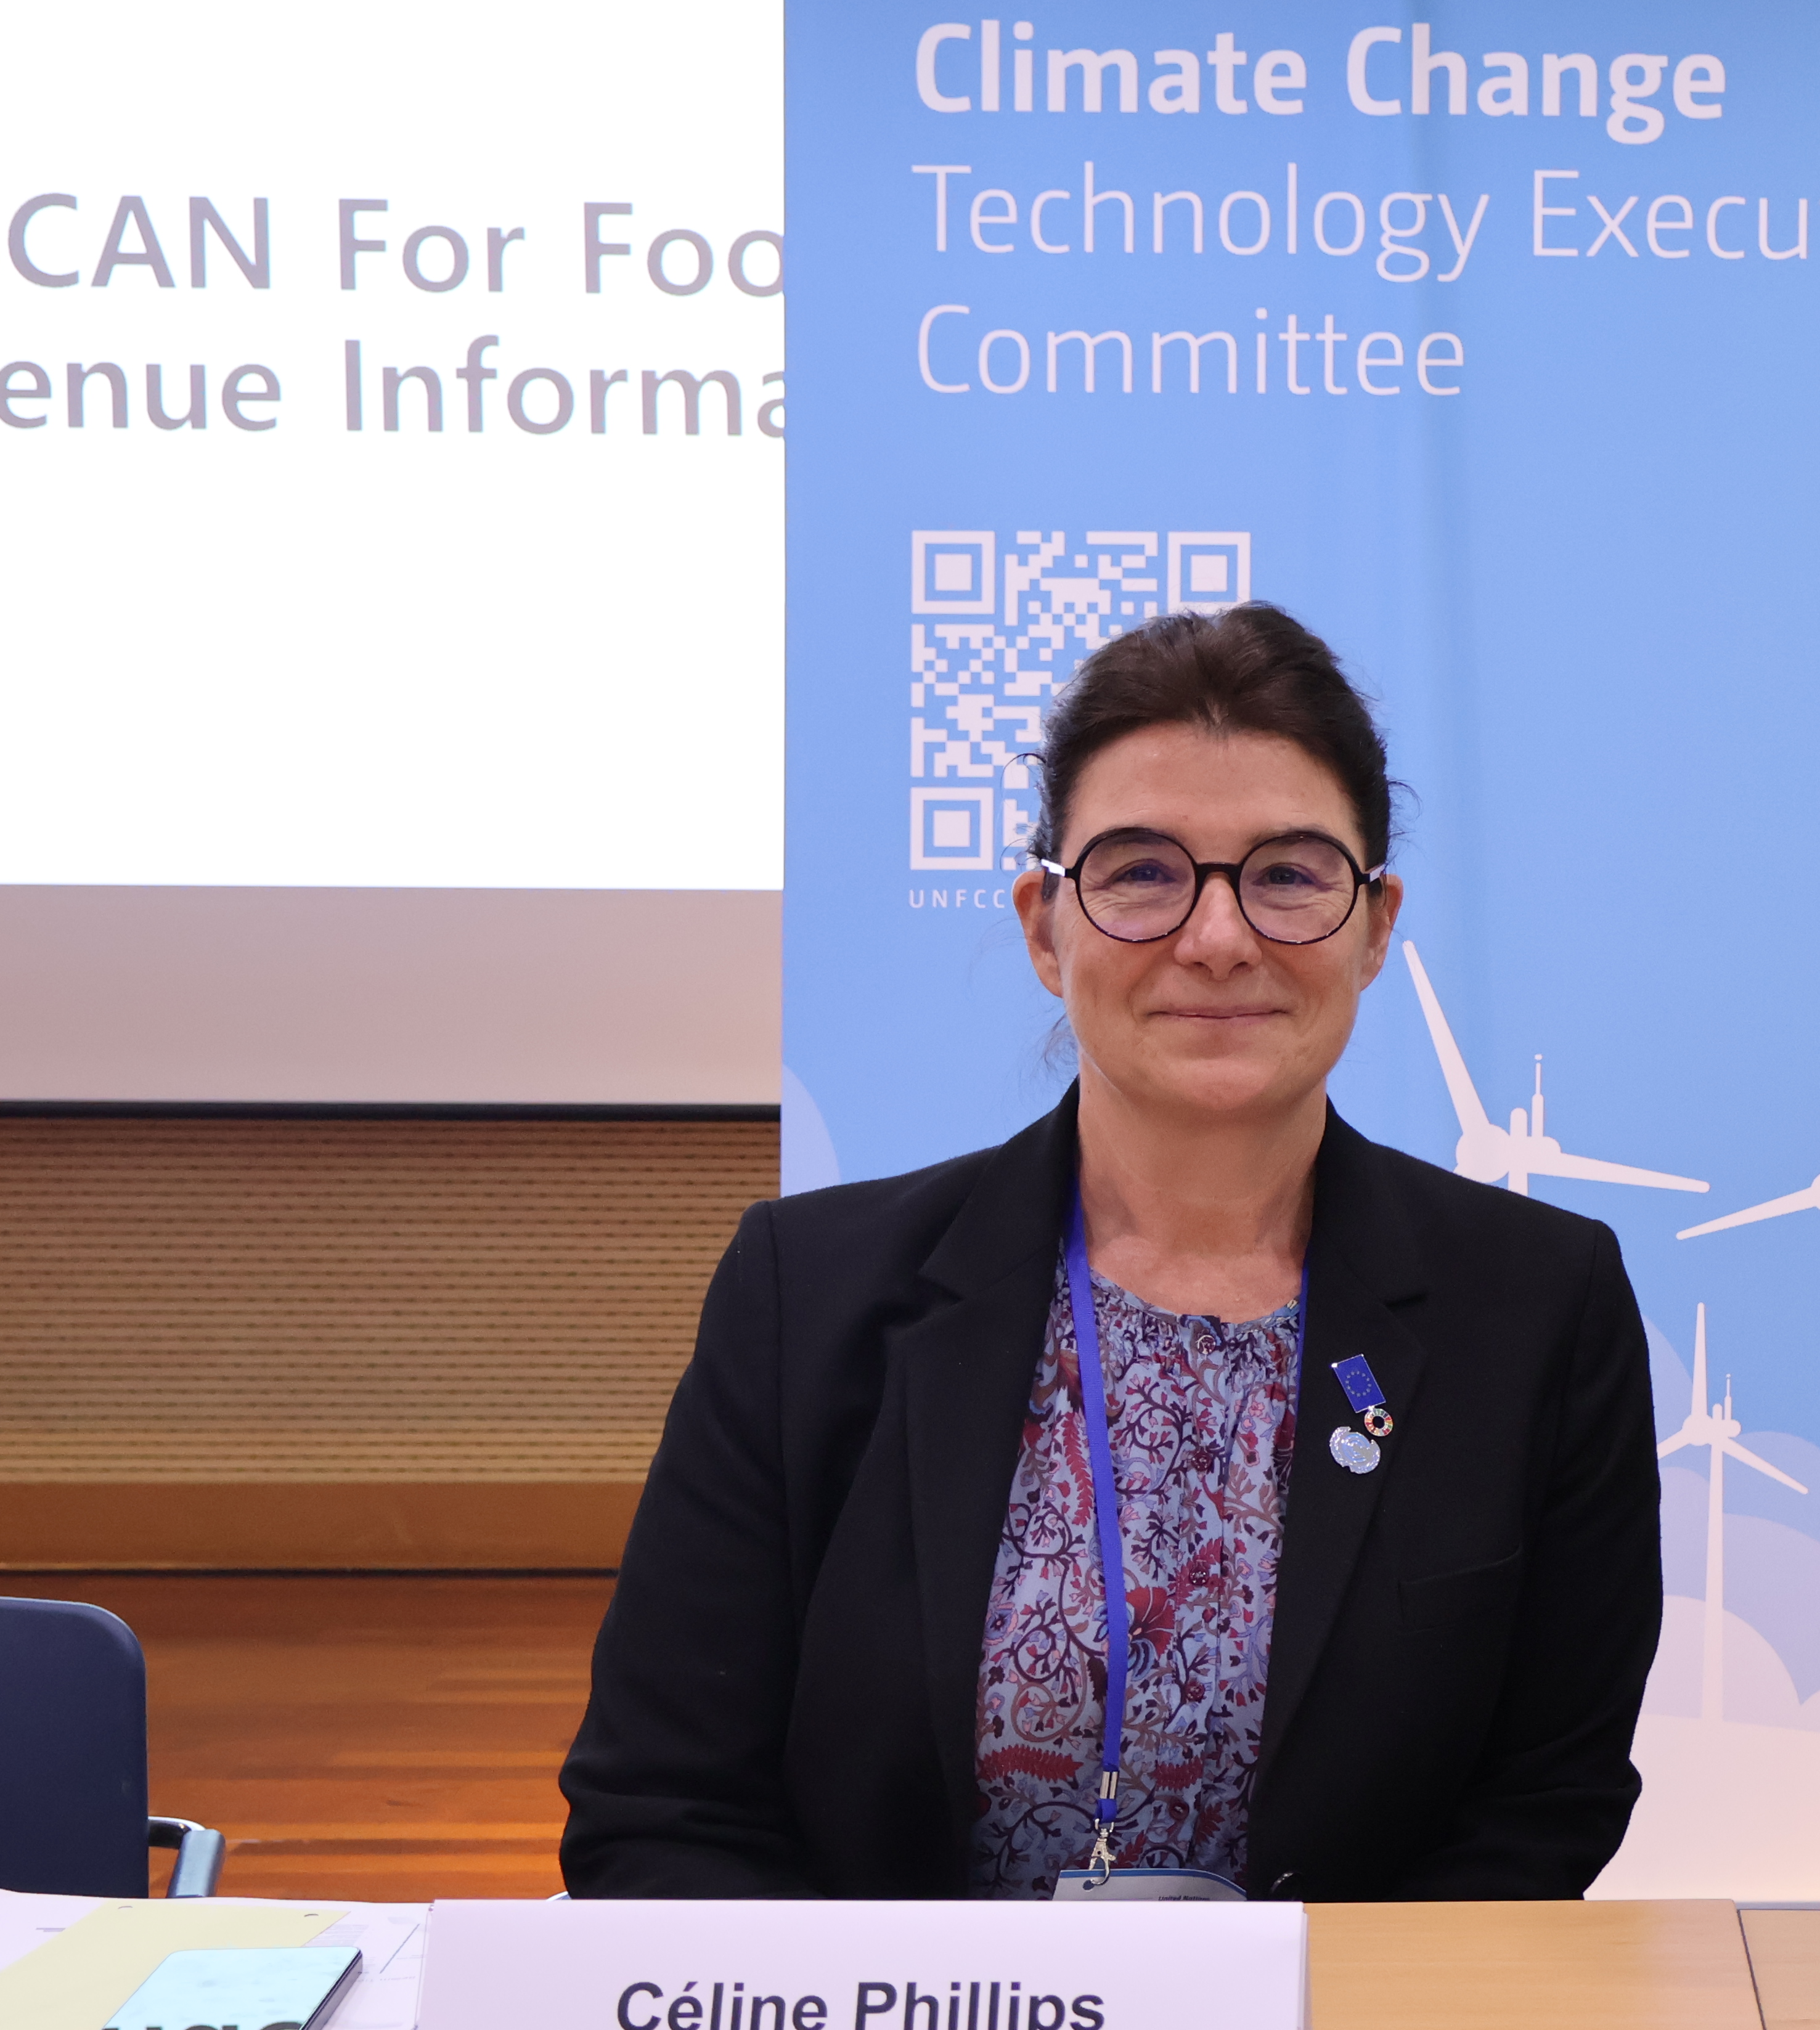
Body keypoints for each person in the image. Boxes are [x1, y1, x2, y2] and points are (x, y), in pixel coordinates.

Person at [561, 604, 1664, 1901]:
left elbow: (1544, 1805)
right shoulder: (813, 1294)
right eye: (1142, 871)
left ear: (1375, 927)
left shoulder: (1538, 1308)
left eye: (1290, 874)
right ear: (1045, 925)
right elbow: (661, 1804)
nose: (1216, 936)